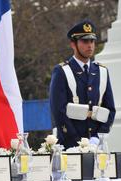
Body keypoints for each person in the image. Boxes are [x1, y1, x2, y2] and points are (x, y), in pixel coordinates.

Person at [49, 19, 116, 149]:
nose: (90, 45)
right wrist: (77, 141)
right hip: (70, 144)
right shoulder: (62, 71)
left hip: (96, 145)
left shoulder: (102, 71)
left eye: (92, 41)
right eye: (85, 41)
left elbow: (110, 109)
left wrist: (98, 137)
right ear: (73, 44)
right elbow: (58, 111)